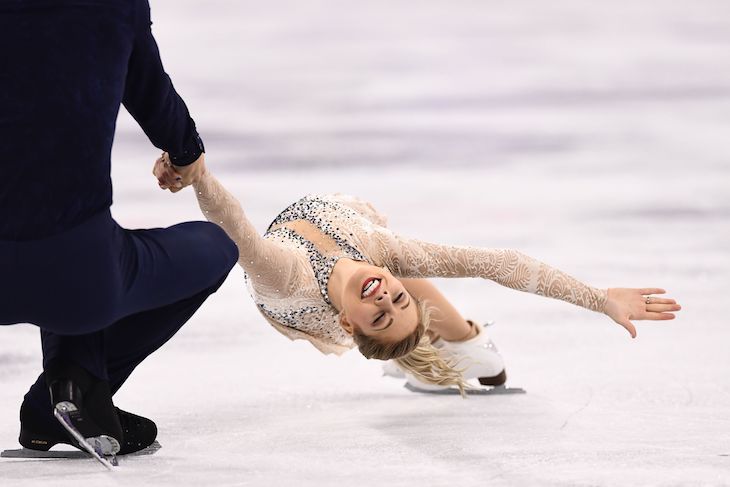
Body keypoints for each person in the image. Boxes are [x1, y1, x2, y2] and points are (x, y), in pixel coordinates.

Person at [154, 156, 681, 394]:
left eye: (379, 315)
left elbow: (235, 228)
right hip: (346, 234)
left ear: (348, 324)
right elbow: (500, 263)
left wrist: (194, 171)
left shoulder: (286, 278)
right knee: (407, 282)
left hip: (305, 298)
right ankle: (465, 342)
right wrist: (599, 298)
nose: (384, 296)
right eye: (396, 302)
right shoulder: (383, 258)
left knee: (406, 298)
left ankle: (451, 353)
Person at [0, 1, 238, 458]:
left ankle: (73, 378)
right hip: (79, 273)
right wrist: (186, 151)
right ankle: (76, 381)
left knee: (84, 242)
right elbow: (149, 90)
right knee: (214, 247)